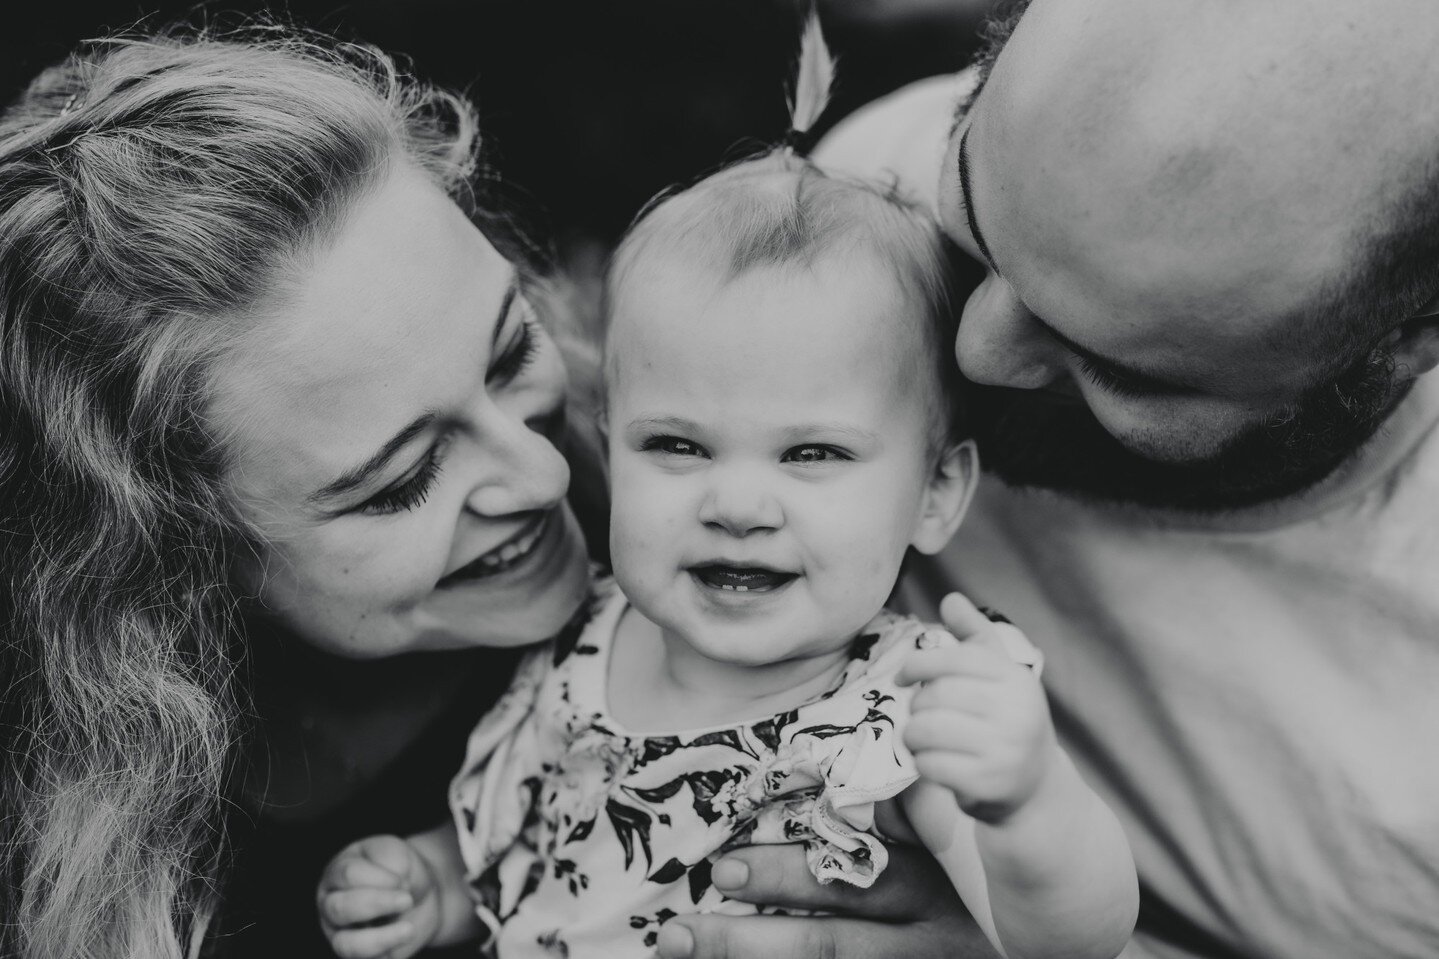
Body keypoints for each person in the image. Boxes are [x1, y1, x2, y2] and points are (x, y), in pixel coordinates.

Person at [0, 23, 983, 959]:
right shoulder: (132, 872)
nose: (546, 473)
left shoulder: (726, 505)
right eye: (402, 480)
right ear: (167, 558)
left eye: (512, 351)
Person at [315, 145, 1138, 959]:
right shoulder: (579, 639)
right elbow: (552, 857)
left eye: (812, 453)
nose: (737, 506)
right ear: (608, 445)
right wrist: (436, 886)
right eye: (677, 444)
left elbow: (1068, 939)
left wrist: (1029, 807)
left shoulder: (899, 718)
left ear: (934, 492)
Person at [811, 1, 1439, 957]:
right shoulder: (877, 189)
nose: (974, 351)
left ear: (1406, 341)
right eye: (974, 220)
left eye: (1124, 369)